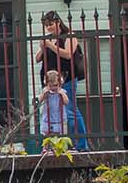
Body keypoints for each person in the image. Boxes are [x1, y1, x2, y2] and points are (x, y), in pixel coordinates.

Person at [38, 11, 90, 149]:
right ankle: (55, 145)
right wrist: (43, 47)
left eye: (50, 24)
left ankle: (81, 145)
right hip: (48, 81)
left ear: (58, 22)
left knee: (70, 111)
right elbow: (37, 58)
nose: (48, 28)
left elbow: (68, 54)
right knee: (51, 112)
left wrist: (50, 46)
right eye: (46, 25)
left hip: (66, 79)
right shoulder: (48, 39)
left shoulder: (69, 36)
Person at [36, 69, 71, 145]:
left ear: (59, 83)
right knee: (47, 137)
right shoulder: (46, 92)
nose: (53, 88)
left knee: (59, 137)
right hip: (47, 118)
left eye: (55, 85)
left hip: (59, 118)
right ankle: (47, 148)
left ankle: (58, 149)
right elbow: (39, 101)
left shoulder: (62, 91)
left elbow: (66, 102)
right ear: (46, 84)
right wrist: (44, 93)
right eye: (50, 86)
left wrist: (62, 94)